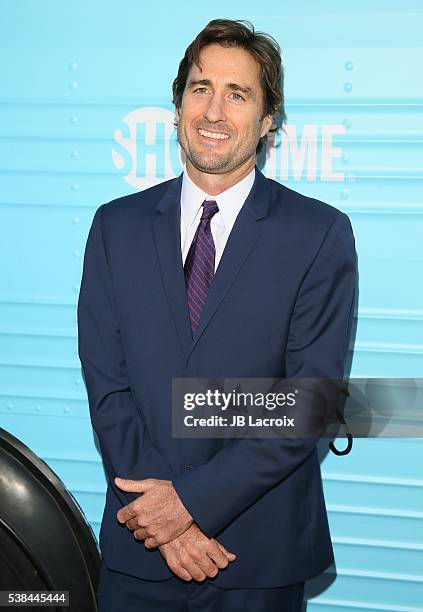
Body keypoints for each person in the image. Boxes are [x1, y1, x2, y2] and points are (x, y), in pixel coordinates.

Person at [77, 18, 357, 612]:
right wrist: (164, 520)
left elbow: (308, 401)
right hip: (140, 547)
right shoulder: (115, 228)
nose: (214, 110)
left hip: (257, 554)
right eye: (201, 88)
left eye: (239, 94)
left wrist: (191, 504)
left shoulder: (317, 234)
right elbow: (109, 386)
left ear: (267, 120)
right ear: (177, 104)